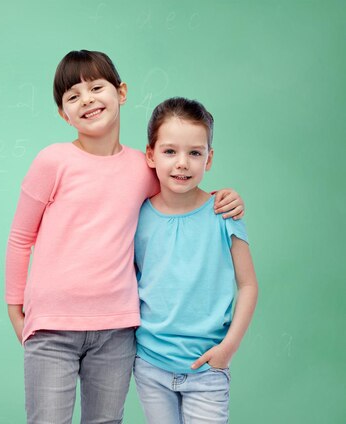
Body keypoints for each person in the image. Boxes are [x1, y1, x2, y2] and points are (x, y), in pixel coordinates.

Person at [5, 51, 244, 424]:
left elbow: (180, 189)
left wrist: (223, 196)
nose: (86, 99)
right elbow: (21, 237)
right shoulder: (52, 161)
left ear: (122, 92)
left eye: (96, 87)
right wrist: (14, 308)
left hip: (117, 329)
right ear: (61, 113)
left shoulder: (142, 166)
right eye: (73, 96)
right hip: (52, 326)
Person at [133, 97, 259, 424]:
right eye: (170, 151)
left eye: (195, 153)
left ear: (209, 158)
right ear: (150, 154)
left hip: (207, 369)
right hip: (151, 365)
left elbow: (247, 284)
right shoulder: (137, 215)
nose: (182, 164)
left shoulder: (224, 213)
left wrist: (228, 348)